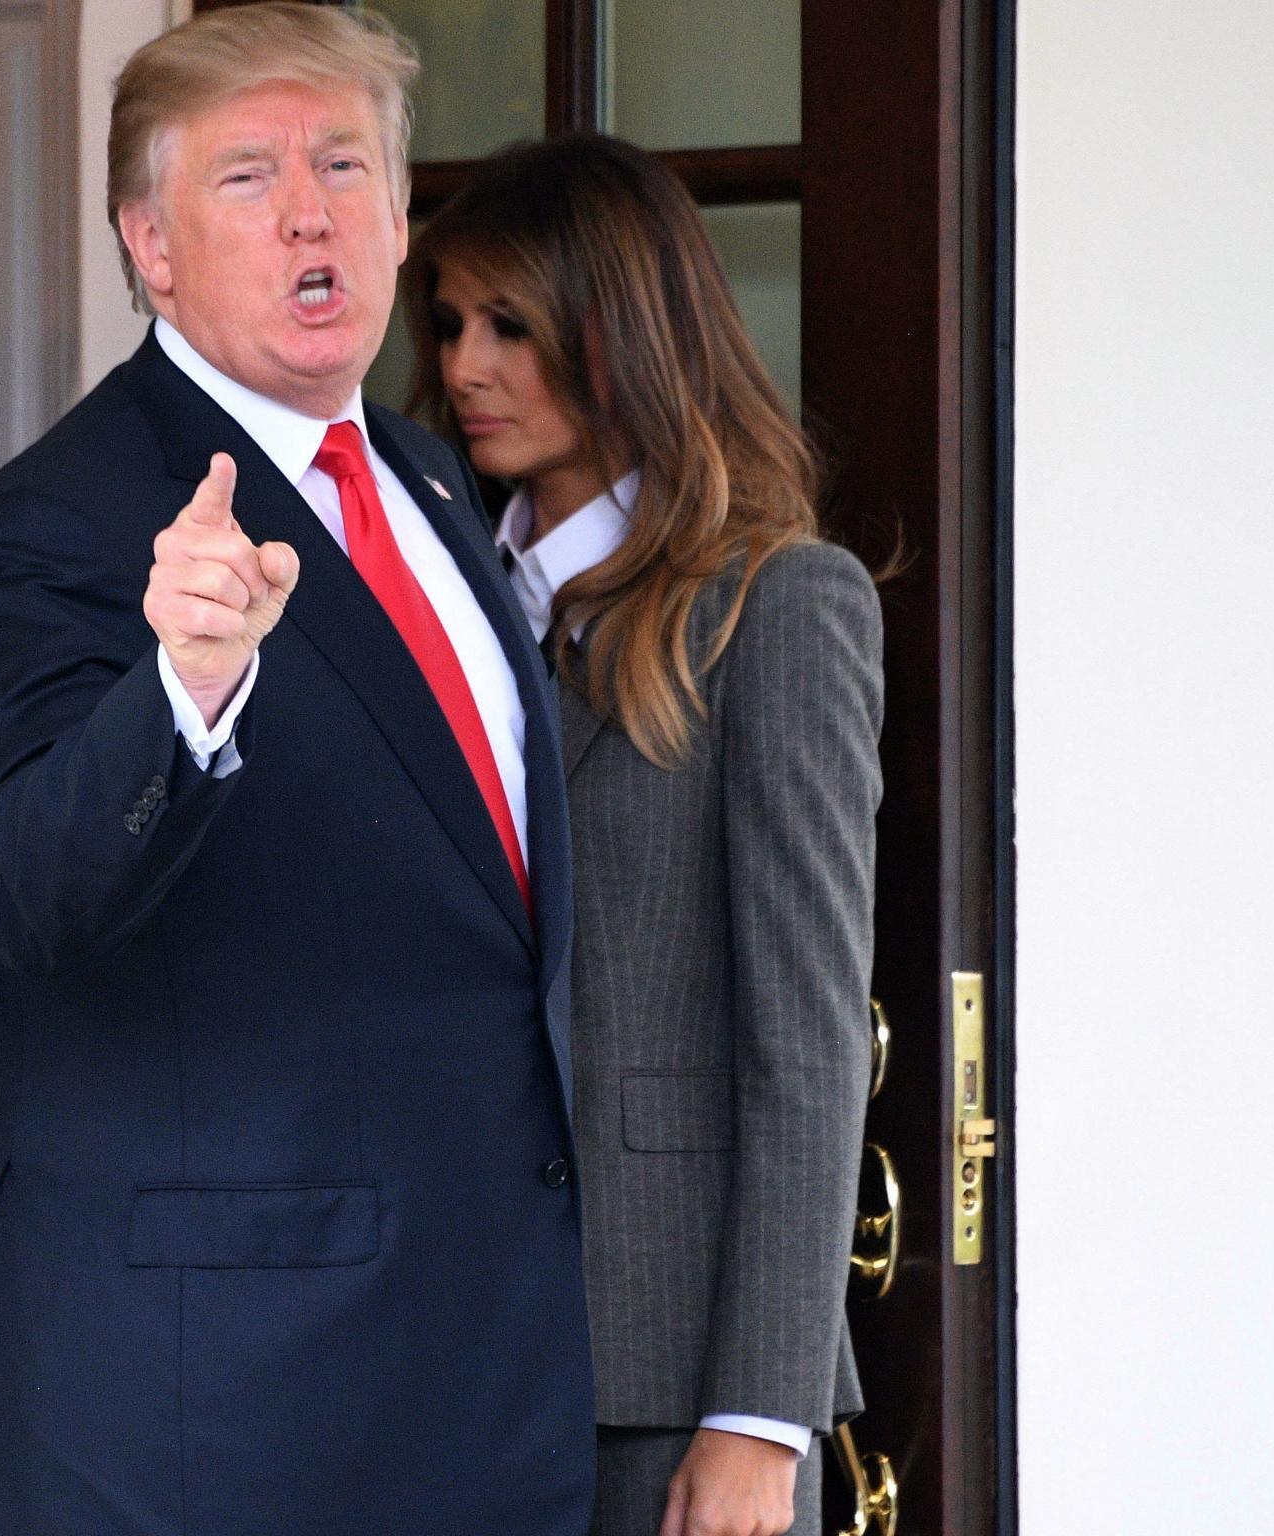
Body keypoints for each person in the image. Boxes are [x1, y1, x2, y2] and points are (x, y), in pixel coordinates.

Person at [0, 7, 594, 1533]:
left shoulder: (427, 474)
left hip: (477, 1396)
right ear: (148, 245)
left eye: (344, 162)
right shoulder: (61, 520)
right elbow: (27, 894)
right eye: (248, 177)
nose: (312, 210)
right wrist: (185, 690)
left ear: (402, 212)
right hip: (206, 1420)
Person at [407, 134, 883, 1536]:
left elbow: (806, 1044)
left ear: (624, 335)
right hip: (439, 1353)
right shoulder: (427, 611)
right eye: (445, 325)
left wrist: (759, 1414)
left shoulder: (779, 607)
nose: (465, 367)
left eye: (512, 326)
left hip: (678, 1381)